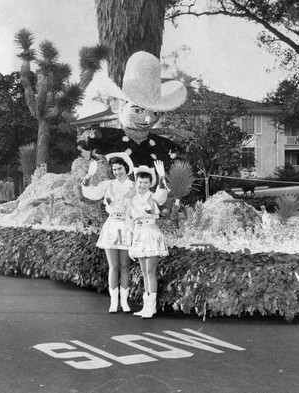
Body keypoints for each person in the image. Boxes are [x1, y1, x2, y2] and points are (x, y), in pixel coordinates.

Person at [76, 51, 187, 169]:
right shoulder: (115, 137)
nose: (148, 119)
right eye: (138, 111)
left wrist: (177, 153)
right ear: (119, 107)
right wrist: (92, 136)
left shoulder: (156, 142)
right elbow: (94, 138)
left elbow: (174, 150)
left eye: (154, 113)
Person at [82, 152, 136, 313]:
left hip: (127, 225)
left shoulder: (134, 186)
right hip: (112, 225)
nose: (117, 172)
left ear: (126, 168)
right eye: (114, 169)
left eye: (120, 169)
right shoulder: (107, 185)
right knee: (113, 266)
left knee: (125, 265)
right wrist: (89, 176)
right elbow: (90, 193)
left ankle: (124, 302)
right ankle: (113, 303)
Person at [126, 160, 168, 319]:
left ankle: (151, 307)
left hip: (150, 233)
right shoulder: (133, 200)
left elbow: (161, 197)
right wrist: (130, 243)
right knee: (144, 272)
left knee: (150, 272)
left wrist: (162, 178)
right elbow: (130, 222)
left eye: (145, 182)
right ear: (136, 183)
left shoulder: (153, 196)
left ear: (150, 183)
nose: (142, 185)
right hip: (139, 234)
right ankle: (146, 306)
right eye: (140, 182)